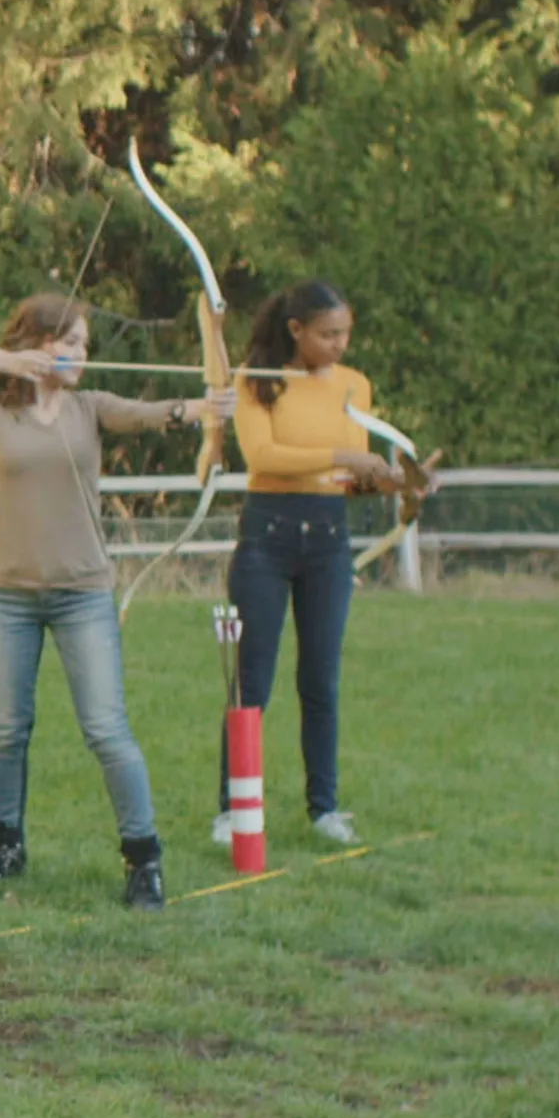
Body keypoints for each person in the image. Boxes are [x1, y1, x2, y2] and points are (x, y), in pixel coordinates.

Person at [0, 297, 232, 909]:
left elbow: (148, 414)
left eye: (85, 345)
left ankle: (143, 860)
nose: (81, 355)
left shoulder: (90, 407)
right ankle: (5, 846)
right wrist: (6, 360)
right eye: (70, 343)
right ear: (36, 343)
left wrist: (200, 409)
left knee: (107, 728)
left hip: (83, 593)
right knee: (7, 728)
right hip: (6, 595)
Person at [217, 279, 399, 847]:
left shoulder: (354, 385)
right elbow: (264, 456)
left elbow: (349, 472)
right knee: (253, 679)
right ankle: (232, 809)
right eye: (328, 334)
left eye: (345, 333)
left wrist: (390, 481)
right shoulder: (257, 380)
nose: (339, 345)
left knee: (321, 679)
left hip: (328, 539)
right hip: (267, 539)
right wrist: (343, 456)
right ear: (296, 330)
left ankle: (325, 808)